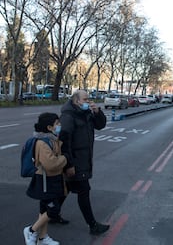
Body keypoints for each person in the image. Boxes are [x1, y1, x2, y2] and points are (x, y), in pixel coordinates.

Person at [59, 89, 110, 236]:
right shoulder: (68, 116)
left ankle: (51, 213)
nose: (89, 102)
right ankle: (93, 225)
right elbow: (64, 141)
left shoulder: (86, 113)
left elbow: (100, 125)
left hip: (83, 159)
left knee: (66, 188)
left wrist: (97, 112)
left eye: (89, 99)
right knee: (84, 191)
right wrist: (69, 164)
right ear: (76, 101)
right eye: (85, 100)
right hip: (75, 160)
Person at [24, 113, 67, 245]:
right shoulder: (43, 143)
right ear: (49, 127)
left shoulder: (52, 139)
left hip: (51, 180)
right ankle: (31, 230)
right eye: (57, 123)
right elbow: (51, 164)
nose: (59, 125)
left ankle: (42, 238)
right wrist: (65, 158)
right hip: (46, 181)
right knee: (53, 209)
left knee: (44, 210)